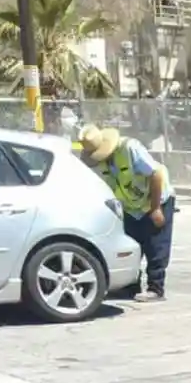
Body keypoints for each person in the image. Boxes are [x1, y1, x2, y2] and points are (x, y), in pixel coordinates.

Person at [79, 125, 175, 301]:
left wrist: (155, 209)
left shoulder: (129, 149)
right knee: (131, 245)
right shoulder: (99, 163)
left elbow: (156, 175)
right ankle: (130, 286)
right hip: (131, 207)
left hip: (155, 199)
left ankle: (156, 288)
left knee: (156, 246)